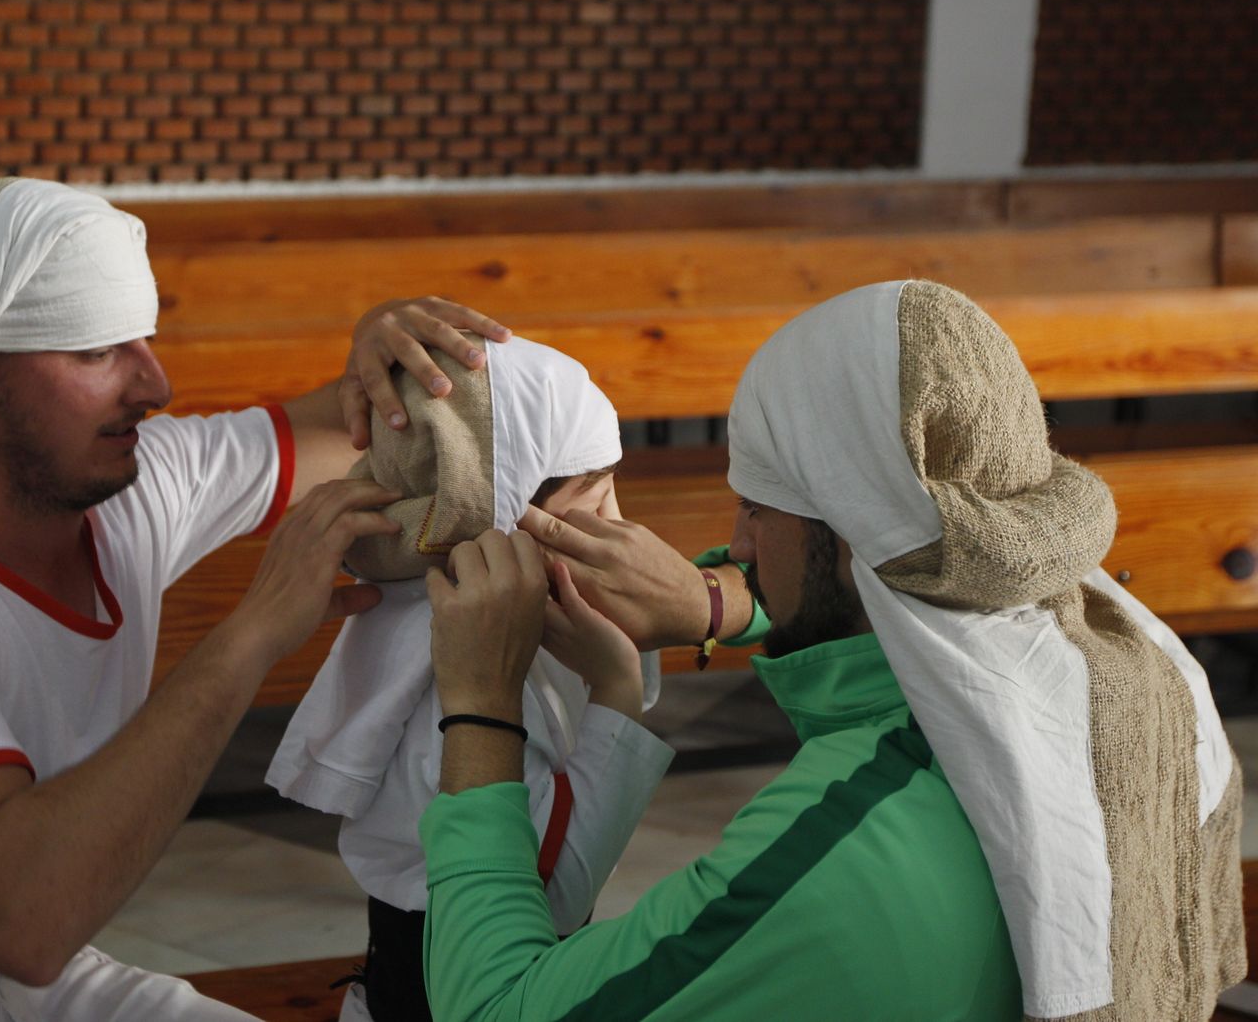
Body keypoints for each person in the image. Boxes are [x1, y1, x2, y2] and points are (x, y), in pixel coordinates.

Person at [0, 177, 510, 1021]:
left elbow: (352, 427)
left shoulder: (131, 487)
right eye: (95, 351)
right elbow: (22, 917)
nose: (155, 384)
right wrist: (253, 633)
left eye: (144, 339)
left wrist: (378, 350)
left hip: (9, 980)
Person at [418, 280, 1245, 1021]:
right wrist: (715, 604)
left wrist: (482, 704)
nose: (740, 541)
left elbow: (496, 1008)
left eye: (757, 506)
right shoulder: (1146, 664)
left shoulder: (843, 849)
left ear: (850, 530)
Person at [265, 336, 674, 1022]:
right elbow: (555, 891)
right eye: (597, 499)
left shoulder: (452, 615)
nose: (618, 526)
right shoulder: (455, 675)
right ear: (503, 516)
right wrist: (618, 690)